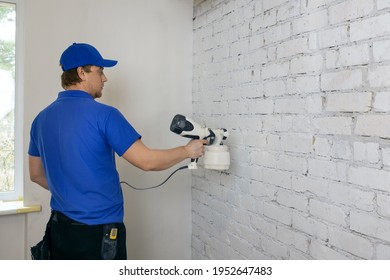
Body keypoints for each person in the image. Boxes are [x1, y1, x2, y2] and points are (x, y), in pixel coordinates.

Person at [28, 42, 207, 260]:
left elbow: (36, 174)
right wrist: (188, 150)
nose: (105, 78)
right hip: (98, 231)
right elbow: (147, 161)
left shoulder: (41, 119)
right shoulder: (105, 115)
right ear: (81, 73)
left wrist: (73, 191)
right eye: (100, 71)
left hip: (59, 228)